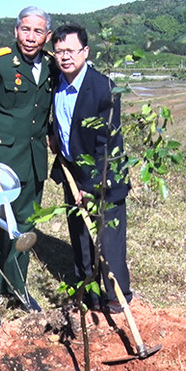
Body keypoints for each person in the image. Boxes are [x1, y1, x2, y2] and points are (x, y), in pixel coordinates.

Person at [0, 6, 56, 328]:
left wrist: (53, 138)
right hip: (1, 163)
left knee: (25, 227)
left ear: (46, 35)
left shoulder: (49, 65)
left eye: (38, 31)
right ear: (15, 31)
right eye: (25, 30)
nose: (31, 37)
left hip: (33, 160)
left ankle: (18, 288)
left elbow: (44, 111)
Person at [48, 24, 131, 314]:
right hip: (72, 173)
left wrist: (91, 186)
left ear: (85, 52)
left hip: (104, 175)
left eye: (70, 50)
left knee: (108, 241)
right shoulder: (55, 82)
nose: (64, 57)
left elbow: (105, 144)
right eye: (59, 51)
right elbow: (58, 120)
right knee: (81, 237)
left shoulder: (103, 88)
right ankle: (89, 293)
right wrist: (54, 137)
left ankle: (117, 298)